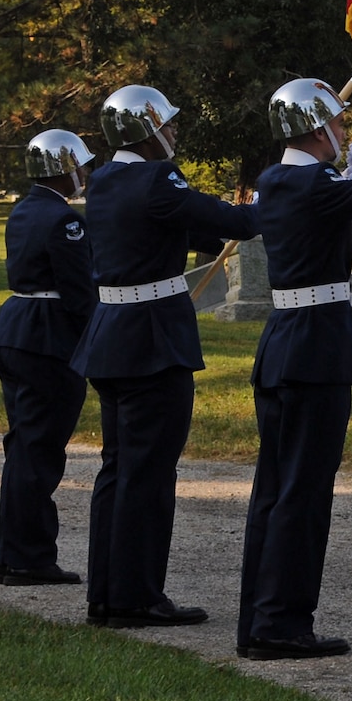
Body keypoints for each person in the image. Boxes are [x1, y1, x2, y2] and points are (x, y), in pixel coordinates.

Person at [73, 84, 258, 629]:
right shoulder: (157, 178)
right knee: (148, 473)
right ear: (146, 130)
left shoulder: (106, 178)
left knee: (118, 468)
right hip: (150, 341)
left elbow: (183, 224)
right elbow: (236, 223)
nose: (175, 132)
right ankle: (137, 597)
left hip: (112, 335)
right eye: (168, 124)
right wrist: (283, 192)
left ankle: (108, 593)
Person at [236, 80, 352, 661]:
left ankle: (261, 618)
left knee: (275, 492)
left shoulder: (277, 178)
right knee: (302, 493)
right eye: (340, 126)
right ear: (319, 129)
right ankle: (281, 624)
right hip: (314, 349)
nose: (346, 134)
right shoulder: (315, 182)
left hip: (284, 345)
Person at [0, 129, 97, 587]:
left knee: (24, 446)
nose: (87, 173)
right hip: (47, 336)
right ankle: (28, 557)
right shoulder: (65, 220)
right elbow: (79, 293)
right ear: (65, 168)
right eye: (82, 165)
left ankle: (16, 552)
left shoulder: (25, 209)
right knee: (39, 450)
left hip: (15, 327)